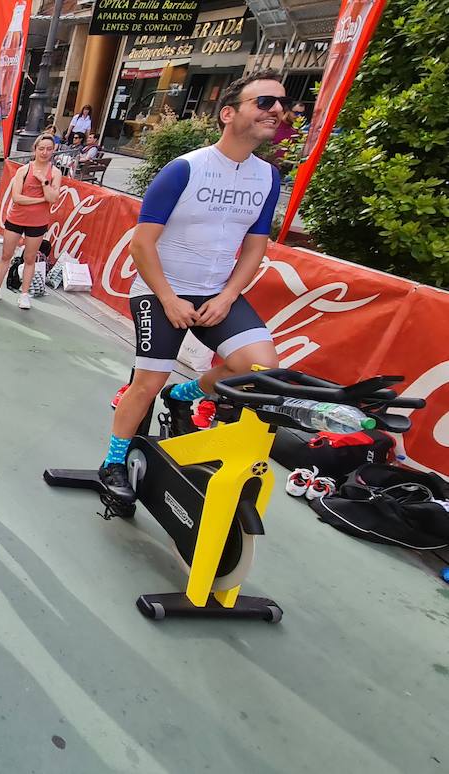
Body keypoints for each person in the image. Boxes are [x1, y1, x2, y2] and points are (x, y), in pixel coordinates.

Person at [97, 71, 287, 501]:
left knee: (261, 369)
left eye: (282, 102)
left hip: (218, 292)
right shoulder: (184, 169)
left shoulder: (267, 177)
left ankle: (182, 396)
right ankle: (112, 463)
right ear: (228, 113)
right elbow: (142, 245)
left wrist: (227, 296)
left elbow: (255, 247)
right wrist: (168, 298)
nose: (276, 109)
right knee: (146, 382)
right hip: (160, 289)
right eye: (263, 102)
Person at [2, 134, 61, 310]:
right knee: (6, 255)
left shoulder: (55, 173)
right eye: (41, 148)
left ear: (54, 150)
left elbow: (53, 198)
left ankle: (24, 294)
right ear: (34, 149)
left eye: (49, 149)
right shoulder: (23, 170)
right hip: (16, 218)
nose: (44, 152)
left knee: (29, 258)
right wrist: (41, 200)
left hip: (38, 222)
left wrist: (43, 181)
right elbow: (17, 197)